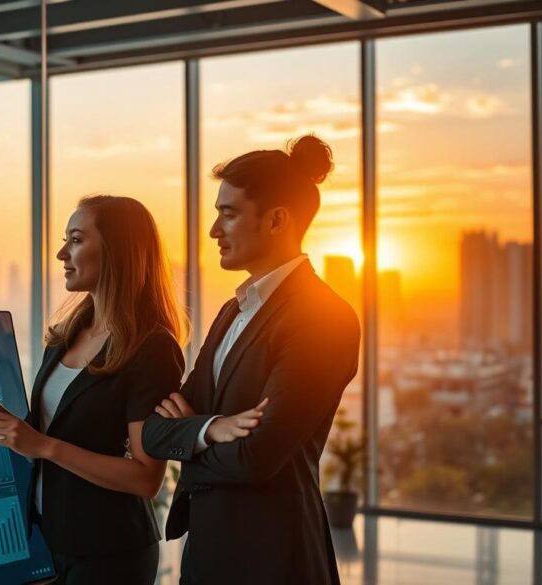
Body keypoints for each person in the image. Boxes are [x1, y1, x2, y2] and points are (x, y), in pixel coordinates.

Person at [0, 195, 191, 584]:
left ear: (117, 252)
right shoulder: (66, 336)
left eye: (77, 239)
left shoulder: (151, 349)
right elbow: (48, 432)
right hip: (48, 543)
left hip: (109, 553)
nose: (61, 253)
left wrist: (46, 448)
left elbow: (145, 477)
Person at [142, 135, 362, 585]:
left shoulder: (324, 318)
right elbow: (153, 431)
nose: (213, 231)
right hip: (207, 555)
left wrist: (191, 441)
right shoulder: (233, 311)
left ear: (278, 220)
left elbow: (258, 457)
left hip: (275, 558)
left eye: (229, 213)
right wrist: (211, 429)